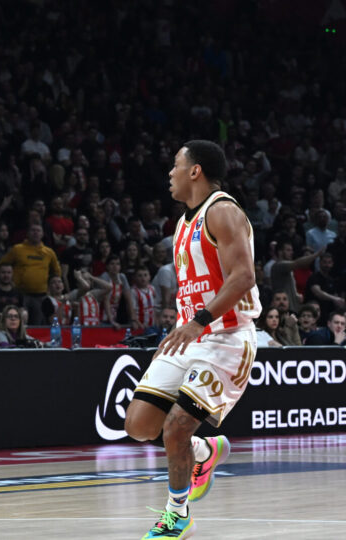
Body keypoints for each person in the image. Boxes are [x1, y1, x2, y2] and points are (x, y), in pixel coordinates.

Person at [123, 140, 261, 539]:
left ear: (195, 171)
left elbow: (244, 277)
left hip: (227, 338)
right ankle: (205, 451)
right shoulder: (183, 223)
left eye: (176, 165)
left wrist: (197, 322)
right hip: (191, 335)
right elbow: (197, 287)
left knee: (177, 428)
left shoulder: (223, 211)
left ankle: (177, 515)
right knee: (138, 425)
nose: (170, 173)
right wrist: (183, 325)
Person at [0, 222, 61, 325]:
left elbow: (56, 272)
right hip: (20, 294)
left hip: (41, 295)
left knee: (38, 325)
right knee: (19, 323)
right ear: (27, 233)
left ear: (42, 234)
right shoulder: (17, 249)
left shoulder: (49, 252)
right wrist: (9, 283)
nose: (35, 233)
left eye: (38, 231)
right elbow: (3, 264)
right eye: (33, 230)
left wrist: (52, 289)